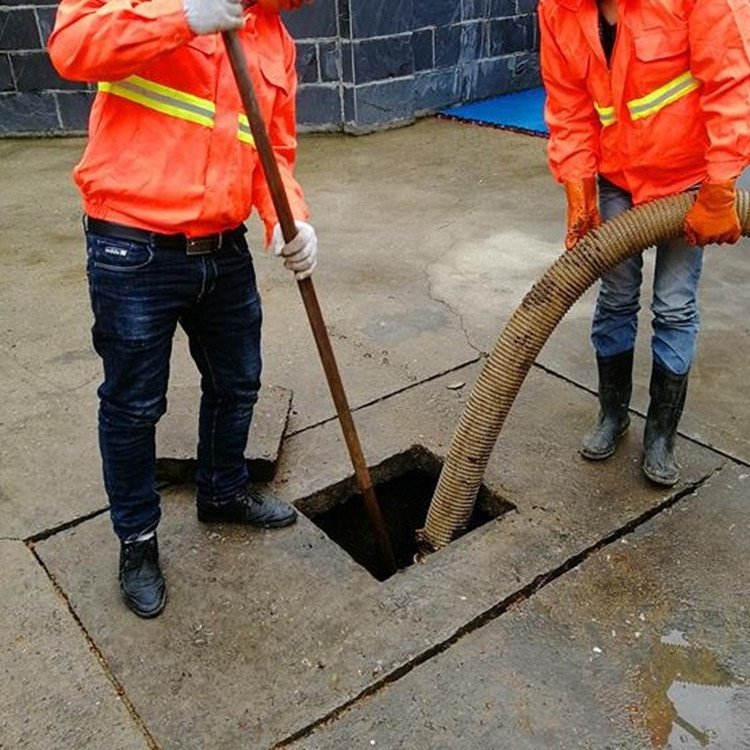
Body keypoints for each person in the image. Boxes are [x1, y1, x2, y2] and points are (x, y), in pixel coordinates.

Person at [48, 0, 316, 618]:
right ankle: (137, 540)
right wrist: (182, 16)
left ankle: (222, 491)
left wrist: (289, 218)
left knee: (238, 381)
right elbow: (73, 46)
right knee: (134, 404)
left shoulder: (274, 38)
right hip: (132, 245)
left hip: (223, 248)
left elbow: (272, 150)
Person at [539, 0, 749, 485]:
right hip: (616, 176)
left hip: (687, 180)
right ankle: (612, 415)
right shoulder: (559, 8)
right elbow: (568, 104)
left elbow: (731, 80)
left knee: (674, 305)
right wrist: (578, 184)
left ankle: (661, 434)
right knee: (615, 297)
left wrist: (719, 186)